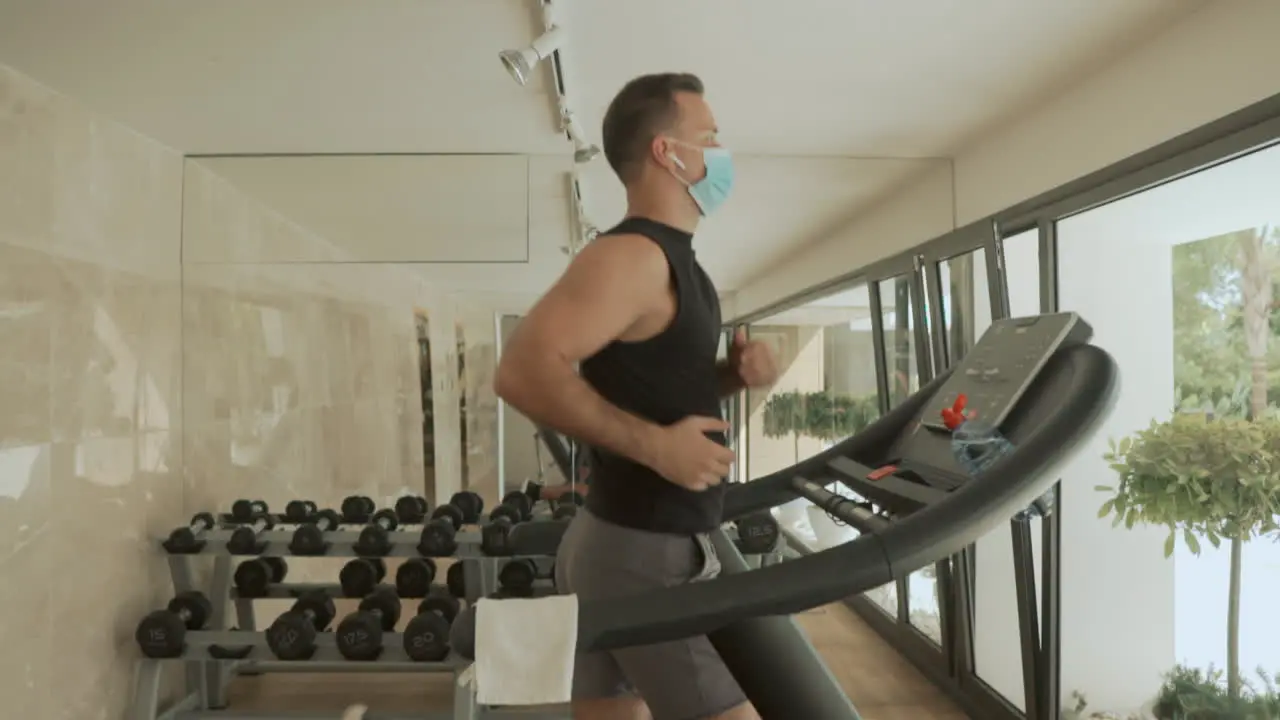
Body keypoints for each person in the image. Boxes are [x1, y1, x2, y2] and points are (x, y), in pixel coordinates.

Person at [495, 72, 780, 720]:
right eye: (708, 137)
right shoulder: (633, 257)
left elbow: (651, 384)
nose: (720, 152)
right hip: (641, 554)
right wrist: (654, 446)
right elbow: (520, 370)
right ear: (667, 153)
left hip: (619, 542)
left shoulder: (678, 263)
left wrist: (730, 377)